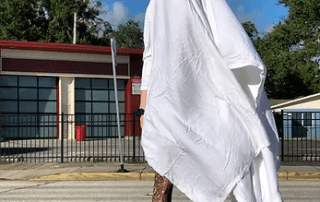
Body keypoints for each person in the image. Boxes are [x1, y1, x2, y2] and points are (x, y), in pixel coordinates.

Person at [139, 0, 283, 201]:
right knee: (164, 156)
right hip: (168, 101)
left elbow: (228, 41)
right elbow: (151, 55)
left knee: (230, 161)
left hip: (208, 99)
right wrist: (143, 108)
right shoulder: (155, 5)